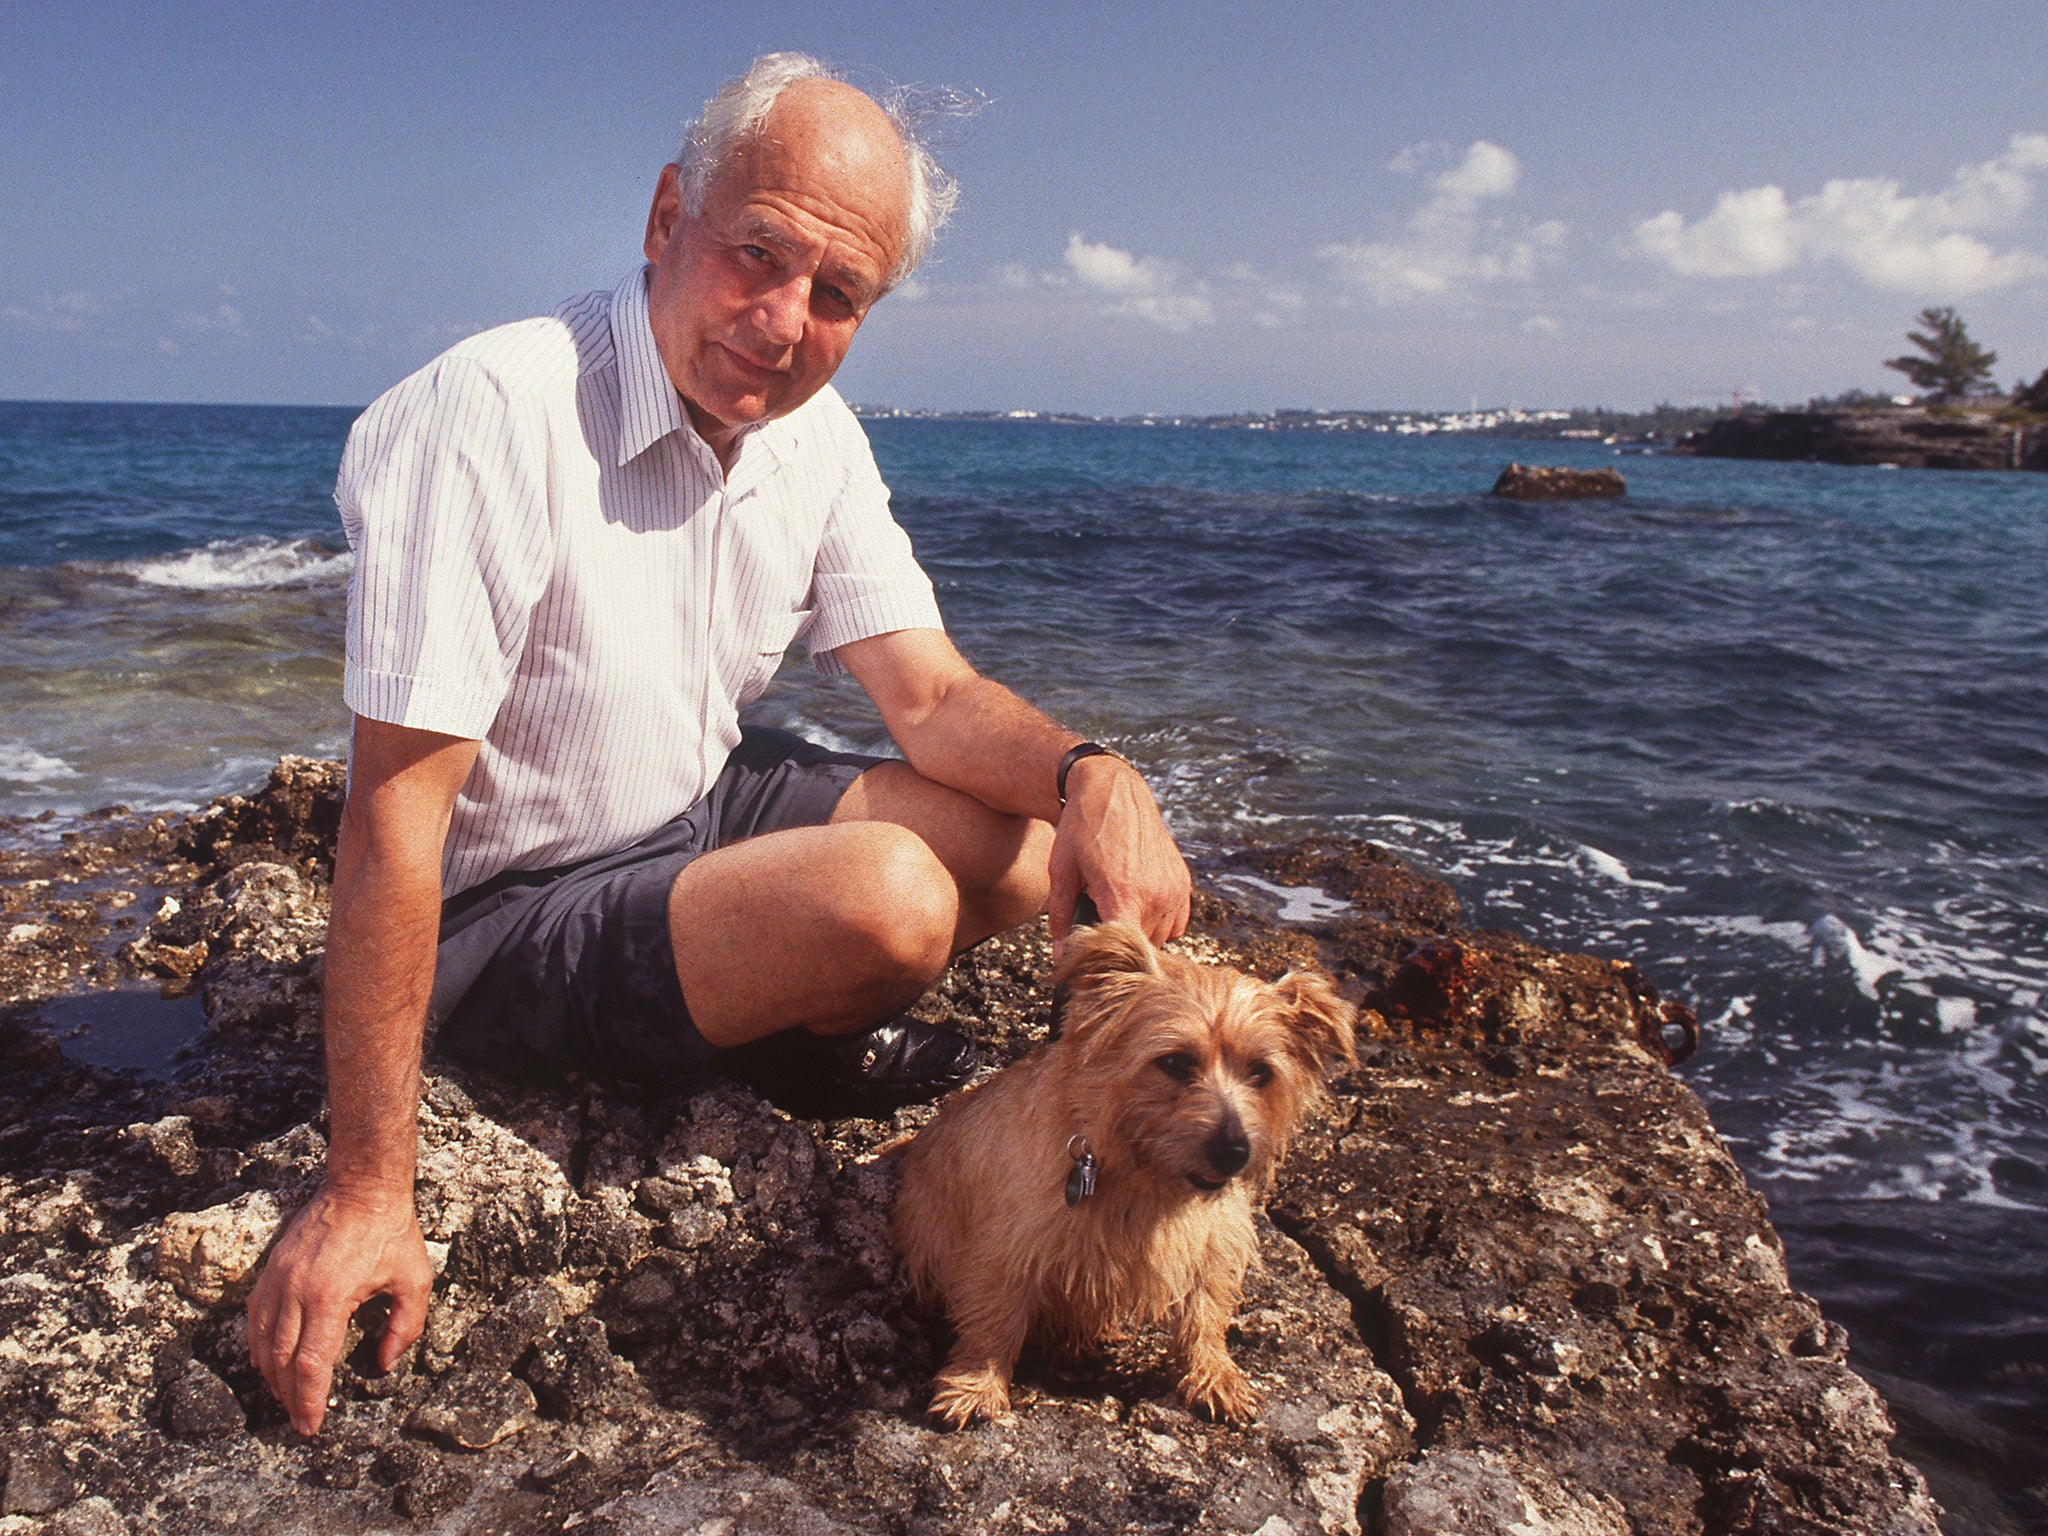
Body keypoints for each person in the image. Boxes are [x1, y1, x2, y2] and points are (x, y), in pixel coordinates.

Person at [245, 54, 1191, 1437]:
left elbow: (926, 696)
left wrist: (1096, 772)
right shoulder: (493, 416)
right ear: (666, 215)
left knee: (1028, 853)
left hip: (690, 808)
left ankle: (777, 1035)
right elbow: (394, 815)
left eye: (836, 294)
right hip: (504, 911)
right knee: (895, 899)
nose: (781, 320)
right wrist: (367, 1189)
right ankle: (776, 1041)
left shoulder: (811, 438)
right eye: (759, 253)